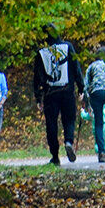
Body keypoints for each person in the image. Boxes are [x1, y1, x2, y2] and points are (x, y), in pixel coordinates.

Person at [32, 24, 85, 165]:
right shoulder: (67, 47)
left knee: (51, 124)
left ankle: (55, 156)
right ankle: (68, 141)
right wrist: (81, 87)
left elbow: (37, 76)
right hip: (67, 91)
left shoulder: (41, 52)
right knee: (69, 119)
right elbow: (76, 68)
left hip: (50, 93)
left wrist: (38, 97)